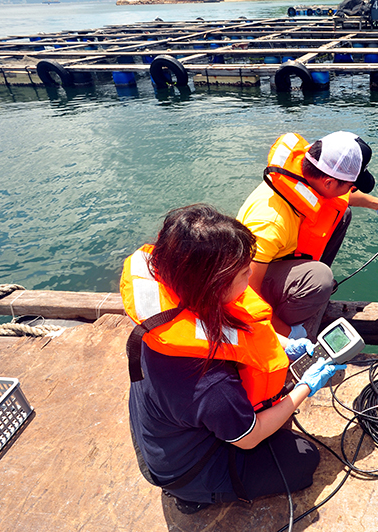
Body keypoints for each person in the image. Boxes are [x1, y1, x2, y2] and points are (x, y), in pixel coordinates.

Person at [121, 204, 345, 514]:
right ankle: (194, 496)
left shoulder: (169, 308)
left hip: (163, 434)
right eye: (243, 272)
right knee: (303, 459)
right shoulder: (211, 385)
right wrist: (305, 387)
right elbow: (249, 437)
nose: (253, 272)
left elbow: (229, 334)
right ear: (215, 286)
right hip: (184, 469)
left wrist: (280, 343)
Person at [237, 131, 378, 341]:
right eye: (351, 186)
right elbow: (244, 294)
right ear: (329, 183)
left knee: (340, 214)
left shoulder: (309, 172)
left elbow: (341, 198)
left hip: (278, 260)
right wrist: (286, 334)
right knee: (320, 279)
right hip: (245, 281)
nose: (350, 191)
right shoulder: (270, 222)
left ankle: (306, 294)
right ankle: (287, 320)